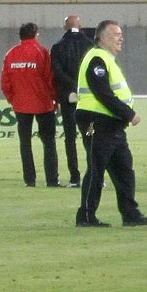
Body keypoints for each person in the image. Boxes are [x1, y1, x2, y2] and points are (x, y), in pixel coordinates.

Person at [75, 20, 147, 227]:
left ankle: (130, 214)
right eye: (116, 34)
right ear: (102, 37)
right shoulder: (97, 59)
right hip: (96, 121)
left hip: (112, 124)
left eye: (121, 34)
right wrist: (129, 114)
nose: (121, 38)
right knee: (96, 168)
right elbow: (103, 93)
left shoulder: (107, 59)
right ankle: (85, 216)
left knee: (124, 170)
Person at [1, 23, 60, 187]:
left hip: (21, 105)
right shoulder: (42, 53)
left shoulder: (10, 54)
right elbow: (50, 79)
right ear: (35, 35)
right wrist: (55, 99)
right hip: (43, 104)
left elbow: (5, 83)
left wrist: (13, 100)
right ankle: (52, 180)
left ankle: (30, 180)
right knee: (49, 142)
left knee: (25, 143)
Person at [50, 15, 93, 187]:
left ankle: (75, 177)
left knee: (70, 137)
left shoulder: (58, 47)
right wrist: (82, 87)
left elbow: (57, 73)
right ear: (80, 25)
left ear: (64, 27)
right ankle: (95, 176)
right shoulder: (90, 45)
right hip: (89, 101)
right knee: (90, 135)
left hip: (68, 99)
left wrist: (72, 87)